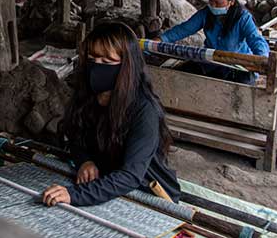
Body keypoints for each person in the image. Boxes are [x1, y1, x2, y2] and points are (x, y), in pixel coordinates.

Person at [41, 23, 181, 208]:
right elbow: (75, 135)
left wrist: (73, 195)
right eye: (92, 59)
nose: (97, 67)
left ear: (127, 66)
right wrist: (85, 161)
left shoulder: (144, 110)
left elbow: (131, 176)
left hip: (147, 192)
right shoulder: (87, 96)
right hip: (106, 181)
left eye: (107, 62)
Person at [159, 0, 268, 85]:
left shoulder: (243, 18)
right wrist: (162, 39)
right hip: (212, 62)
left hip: (238, 65)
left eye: (218, 2)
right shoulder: (205, 14)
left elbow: (256, 40)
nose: (213, 5)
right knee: (184, 76)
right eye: (211, 1)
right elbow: (184, 29)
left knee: (239, 88)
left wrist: (261, 59)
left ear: (232, 2)